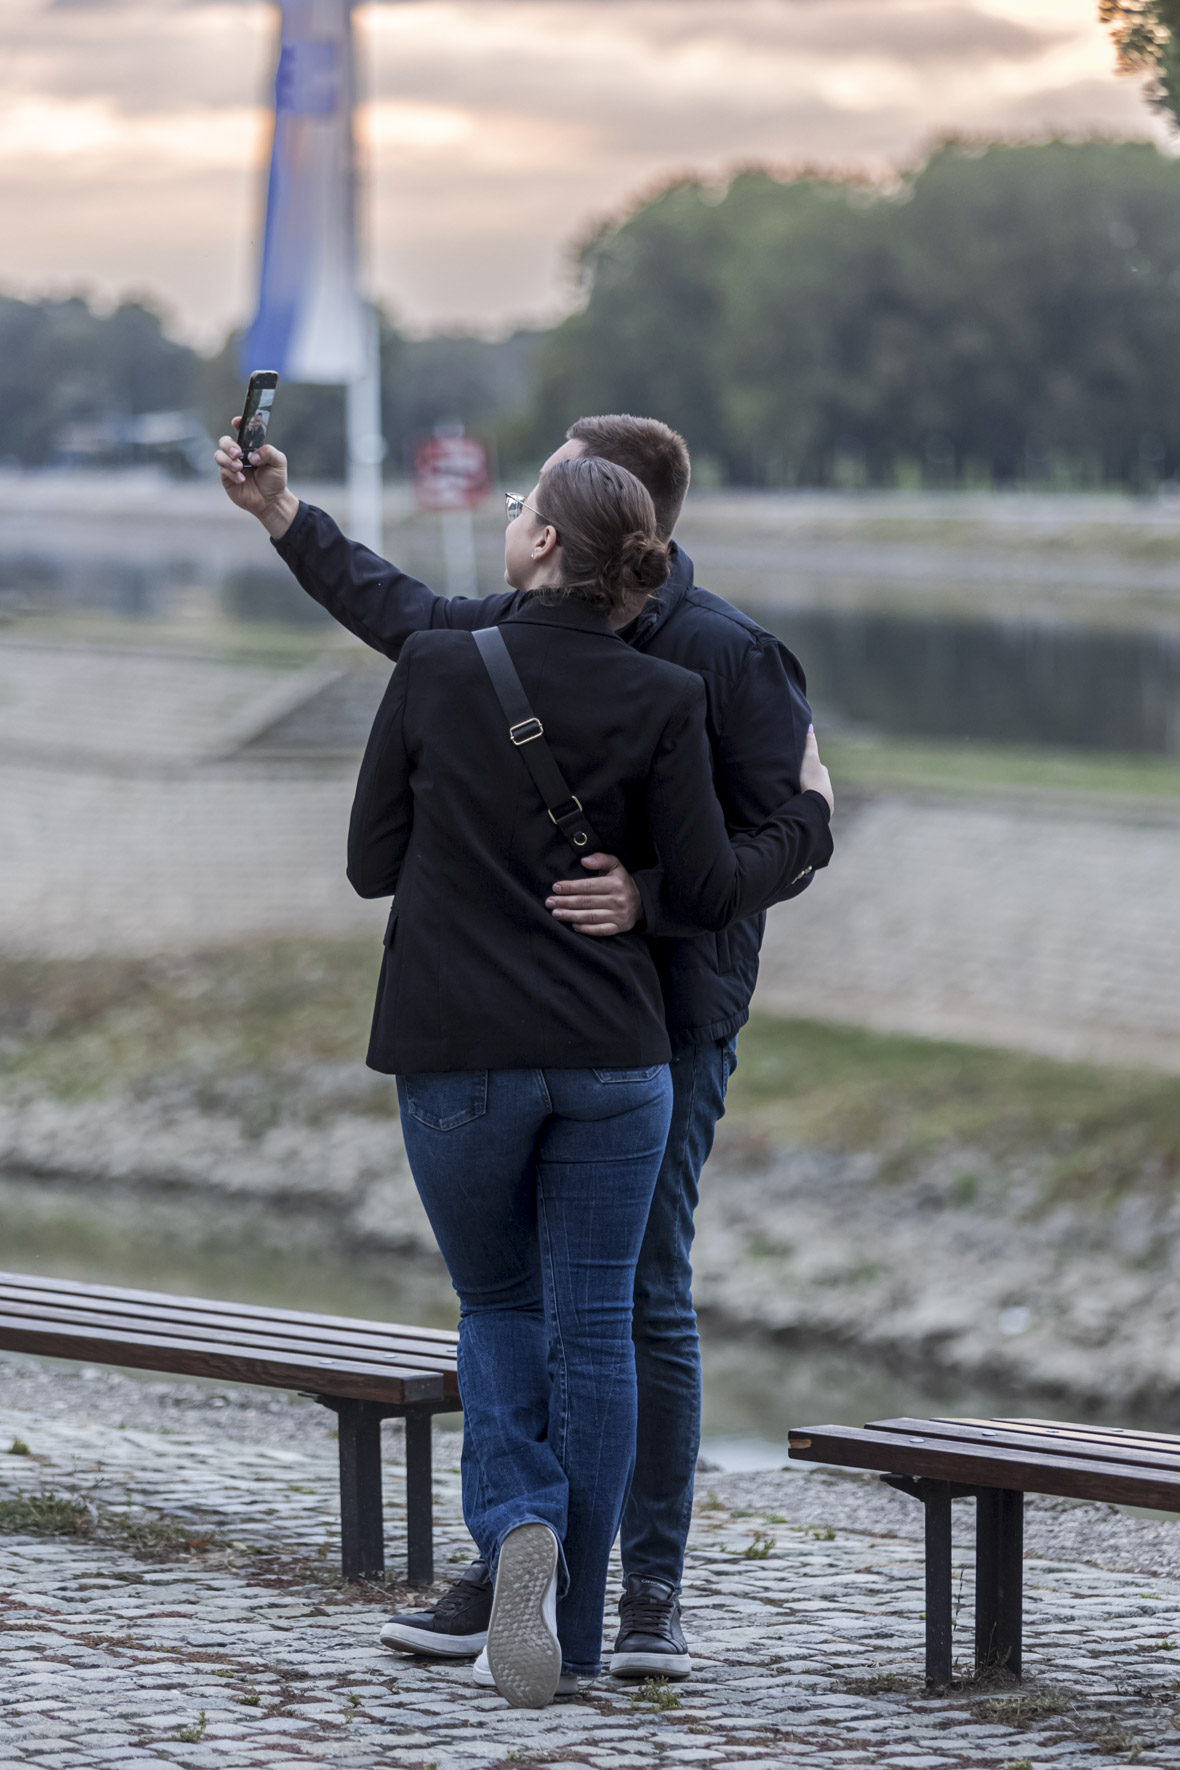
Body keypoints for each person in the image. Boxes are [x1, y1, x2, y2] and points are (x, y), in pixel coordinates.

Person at [215, 412, 830, 1681]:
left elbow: (767, 848)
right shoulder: (518, 651)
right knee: (584, 1316)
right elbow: (390, 604)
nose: (507, 508)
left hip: (657, 1020)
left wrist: (647, 895)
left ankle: (634, 1585)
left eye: (523, 493)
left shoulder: (723, 656)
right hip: (607, 1050)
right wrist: (286, 518)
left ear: (574, 527)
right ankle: (541, 1597)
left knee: (610, 1302)